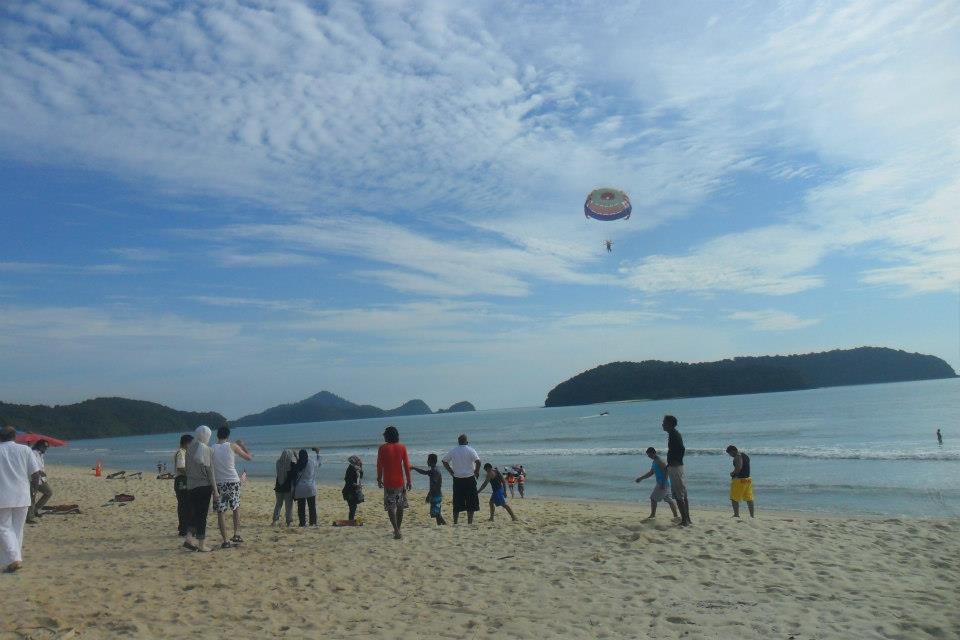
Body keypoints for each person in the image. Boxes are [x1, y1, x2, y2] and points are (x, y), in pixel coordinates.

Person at [0, 426, 42, 573]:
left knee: (4, 527)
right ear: (15, 437)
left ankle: (13, 559)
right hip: (22, 495)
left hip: (3, 496)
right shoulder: (25, 450)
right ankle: (13, 560)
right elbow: (35, 474)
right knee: (17, 528)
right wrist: (34, 492)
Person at [211, 426, 252, 548]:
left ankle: (225, 540)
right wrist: (242, 445)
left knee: (221, 512)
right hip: (233, 482)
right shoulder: (233, 446)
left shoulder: (211, 448)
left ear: (217, 435)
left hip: (219, 483)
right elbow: (248, 457)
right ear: (228, 436)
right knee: (235, 509)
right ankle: (236, 534)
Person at [184, 425, 219, 552]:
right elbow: (210, 472)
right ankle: (201, 544)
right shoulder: (208, 450)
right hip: (204, 487)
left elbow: (187, 469)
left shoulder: (189, 449)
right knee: (202, 515)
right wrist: (215, 490)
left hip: (191, 486)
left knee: (193, 513)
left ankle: (188, 538)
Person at [376, 426, 412, 539]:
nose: (383, 435)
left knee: (391, 507)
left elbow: (379, 465)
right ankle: (398, 529)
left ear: (388, 435)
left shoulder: (382, 448)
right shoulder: (402, 447)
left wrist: (379, 478)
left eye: (385, 434)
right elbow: (406, 465)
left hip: (388, 482)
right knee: (400, 506)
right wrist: (409, 480)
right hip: (400, 482)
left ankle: (396, 530)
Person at [442, 434, 481, 524]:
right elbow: (478, 462)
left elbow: (444, 461)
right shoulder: (471, 450)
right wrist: (477, 472)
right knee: (471, 501)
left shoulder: (453, 450)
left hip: (457, 479)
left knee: (457, 500)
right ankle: (469, 522)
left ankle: (455, 522)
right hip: (469, 478)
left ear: (458, 442)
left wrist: (451, 472)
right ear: (467, 442)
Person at [635, 447, 679, 520]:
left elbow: (667, 471)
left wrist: (663, 483)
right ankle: (676, 516)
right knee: (669, 500)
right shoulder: (654, 461)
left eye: (650, 455)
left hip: (663, 483)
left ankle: (652, 516)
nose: (649, 457)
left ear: (654, 453)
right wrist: (641, 478)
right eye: (648, 455)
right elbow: (651, 472)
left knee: (653, 498)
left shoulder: (660, 461)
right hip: (663, 483)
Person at [663, 415, 691, 527]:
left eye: (664, 422)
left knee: (679, 494)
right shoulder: (673, 434)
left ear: (669, 424)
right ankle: (687, 518)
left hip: (676, 467)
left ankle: (685, 520)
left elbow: (681, 449)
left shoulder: (674, 434)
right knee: (682, 493)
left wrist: (675, 461)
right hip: (675, 465)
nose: (662, 424)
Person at [412, 453, 446, 526]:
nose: (427, 462)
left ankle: (445, 525)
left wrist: (428, 495)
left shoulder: (434, 471)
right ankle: (440, 526)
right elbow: (424, 472)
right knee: (437, 513)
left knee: (436, 514)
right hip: (437, 494)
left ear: (431, 461)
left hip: (436, 495)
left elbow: (434, 485)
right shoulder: (433, 470)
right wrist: (414, 468)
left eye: (428, 460)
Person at [292, 448, 321, 527]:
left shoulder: (298, 464)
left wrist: (295, 456)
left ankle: (302, 523)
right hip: (310, 488)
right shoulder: (311, 462)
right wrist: (318, 453)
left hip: (300, 489)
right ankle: (313, 523)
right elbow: (319, 463)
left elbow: (301, 463)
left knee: (301, 508)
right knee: (312, 507)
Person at [726, 445, 754, 518]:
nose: (730, 455)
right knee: (749, 499)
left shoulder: (737, 456)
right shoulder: (745, 455)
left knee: (734, 498)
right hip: (748, 479)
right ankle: (752, 516)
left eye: (730, 453)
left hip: (739, 480)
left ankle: (736, 514)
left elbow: (739, 467)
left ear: (733, 451)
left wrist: (733, 473)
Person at [174, 434, 193, 536]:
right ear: (186, 443)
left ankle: (185, 528)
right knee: (184, 505)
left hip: (183, 480)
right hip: (182, 481)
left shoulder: (184, 452)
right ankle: (184, 529)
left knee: (186, 505)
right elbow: (180, 468)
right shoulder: (181, 453)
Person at [272, 449, 297, 527]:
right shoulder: (291, 464)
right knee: (288, 505)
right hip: (288, 487)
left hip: (279, 486)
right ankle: (288, 521)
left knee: (278, 504)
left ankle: (275, 520)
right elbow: (298, 465)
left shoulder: (278, 463)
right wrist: (296, 456)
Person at [29, 440, 52, 521]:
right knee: (32, 497)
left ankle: (35, 509)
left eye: (47, 447)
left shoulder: (41, 454)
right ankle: (29, 517)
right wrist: (39, 472)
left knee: (48, 492)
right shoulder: (32, 453)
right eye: (44, 446)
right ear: (39, 446)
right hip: (33, 478)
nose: (46, 448)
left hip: (41, 479)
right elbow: (31, 465)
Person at [342, 455, 364, 522]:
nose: (359, 461)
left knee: (353, 506)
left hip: (354, 490)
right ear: (354, 461)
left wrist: (361, 466)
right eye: (358, 460)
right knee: (352, 506)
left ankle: (351, 519)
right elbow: (348, 480)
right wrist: (355, 485)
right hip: (349, 491)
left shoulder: (357, 468)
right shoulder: (351, 468)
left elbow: (361, 476)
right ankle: (351, 520)